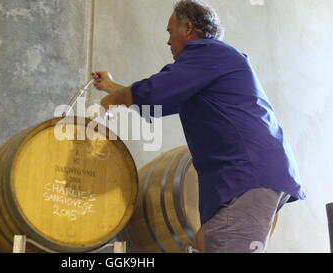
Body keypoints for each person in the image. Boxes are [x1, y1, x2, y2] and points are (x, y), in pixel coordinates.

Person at [91, 0, 306, 253]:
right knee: (212, 241)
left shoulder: (209, 52)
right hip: (251, 175)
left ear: (188, 28)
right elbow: (158, 103)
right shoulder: (211, 65)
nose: (168, 41)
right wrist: (113, 88)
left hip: (247, 174)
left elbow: (156, 92)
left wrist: (114, 98)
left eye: (170, 32)